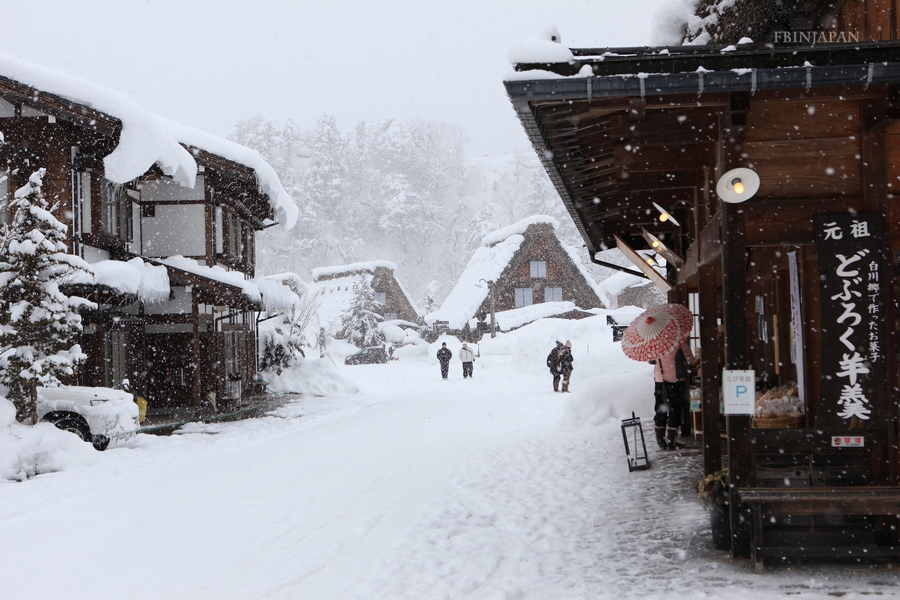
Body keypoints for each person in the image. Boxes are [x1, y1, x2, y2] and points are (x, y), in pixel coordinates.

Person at [652, 339, 695, 450]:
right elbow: (691, 360)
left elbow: (650, 360)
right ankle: (672, 442)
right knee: (675, 408)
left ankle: (661, 441)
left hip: (659, 380)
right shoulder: (679, 341)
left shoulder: (655, 342)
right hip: (675, 380)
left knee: (660, 408)